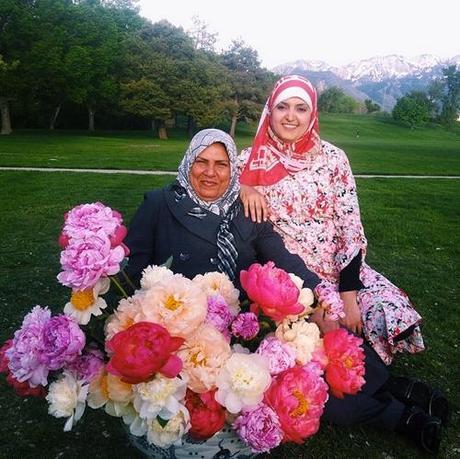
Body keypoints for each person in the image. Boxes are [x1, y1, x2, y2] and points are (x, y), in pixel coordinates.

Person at [123, 128, 447, 455]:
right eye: (201, 162)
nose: (210, 172)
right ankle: (398, 415)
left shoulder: (246, 209)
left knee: (319, 360)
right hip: (184, 332)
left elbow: (284, 258)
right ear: (187, 163)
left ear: (232, 170)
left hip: (246, 326)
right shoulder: (159, 204)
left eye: (221, 164)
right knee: (308, 394)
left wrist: (322, 297)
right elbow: (131, 271)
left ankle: (395, 387)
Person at [238, 75, 424, 365]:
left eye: (301, 108)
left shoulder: (333, 159)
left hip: (340, 269)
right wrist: (244, 186)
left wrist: (348, 296)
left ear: (312, 115)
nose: (290, 117)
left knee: (383, 313)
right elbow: (207, 182)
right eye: (282, 107)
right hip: (290, 275)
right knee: (314, 343)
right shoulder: (248, 162)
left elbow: (350, 228)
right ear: (269, 111)